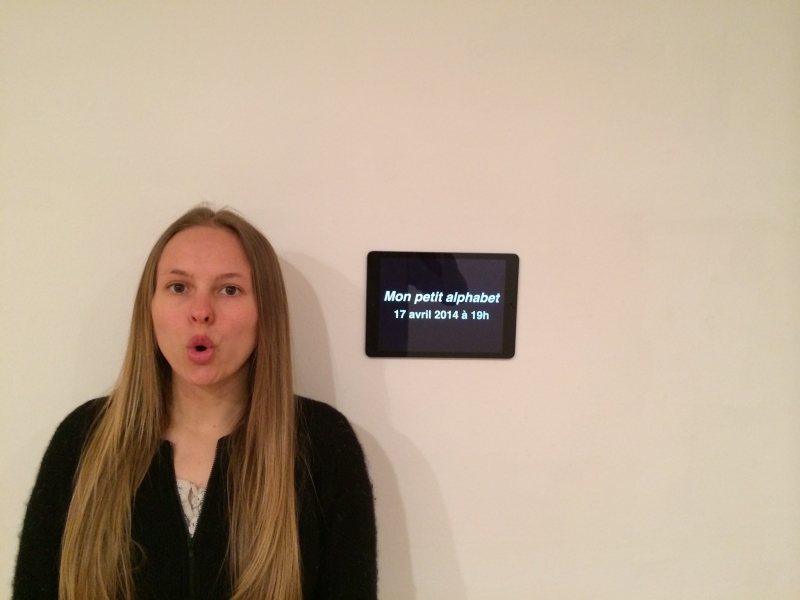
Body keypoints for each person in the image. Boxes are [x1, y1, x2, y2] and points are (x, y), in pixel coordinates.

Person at [13, 206, 377, 600]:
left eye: (229, 289)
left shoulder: (323, 445)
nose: (201, 312)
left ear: (265, 311)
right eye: (179, 287)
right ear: (149, 308)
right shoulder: (83, 439)